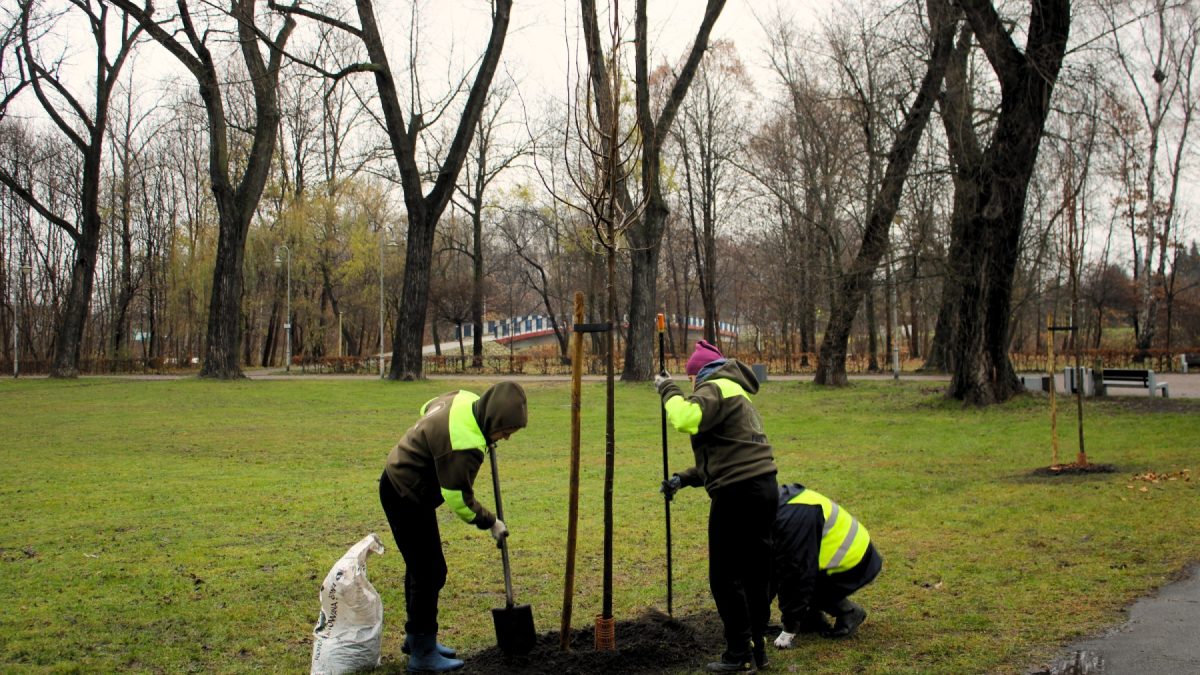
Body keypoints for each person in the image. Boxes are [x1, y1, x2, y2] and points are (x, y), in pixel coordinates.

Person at [379, 381, 527, 673]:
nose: (506, 438)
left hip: (399, 480)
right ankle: (422, 653)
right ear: (493, 420)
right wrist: (492, 523)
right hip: (405, 494)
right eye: (506, 431)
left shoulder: (466, 400)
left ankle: (416, 638)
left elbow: (428, 408)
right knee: (430, 571)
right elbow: (459, 500)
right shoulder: (466, 445)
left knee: (421, 567)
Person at [656, 340, 779, 673]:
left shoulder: (713, 388)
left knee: (725, 576)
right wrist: (684, 478)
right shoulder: (735, 391)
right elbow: (728, 456)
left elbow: (684, 418)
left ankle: (738, 653)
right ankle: (758, 649)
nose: (691, 385)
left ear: (697, 374)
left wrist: (667, 389)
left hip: (738, 495)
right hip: (763, 486)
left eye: (690, 379)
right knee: (755, 574)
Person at [771, 482, 882, 649]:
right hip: (838, 559)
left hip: (854, 562)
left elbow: (797, 574)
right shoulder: (779, 503)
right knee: (785, 569)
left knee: (795, 578)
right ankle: (811, 618)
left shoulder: (792, 518)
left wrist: (789, 627)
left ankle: (849, 612)